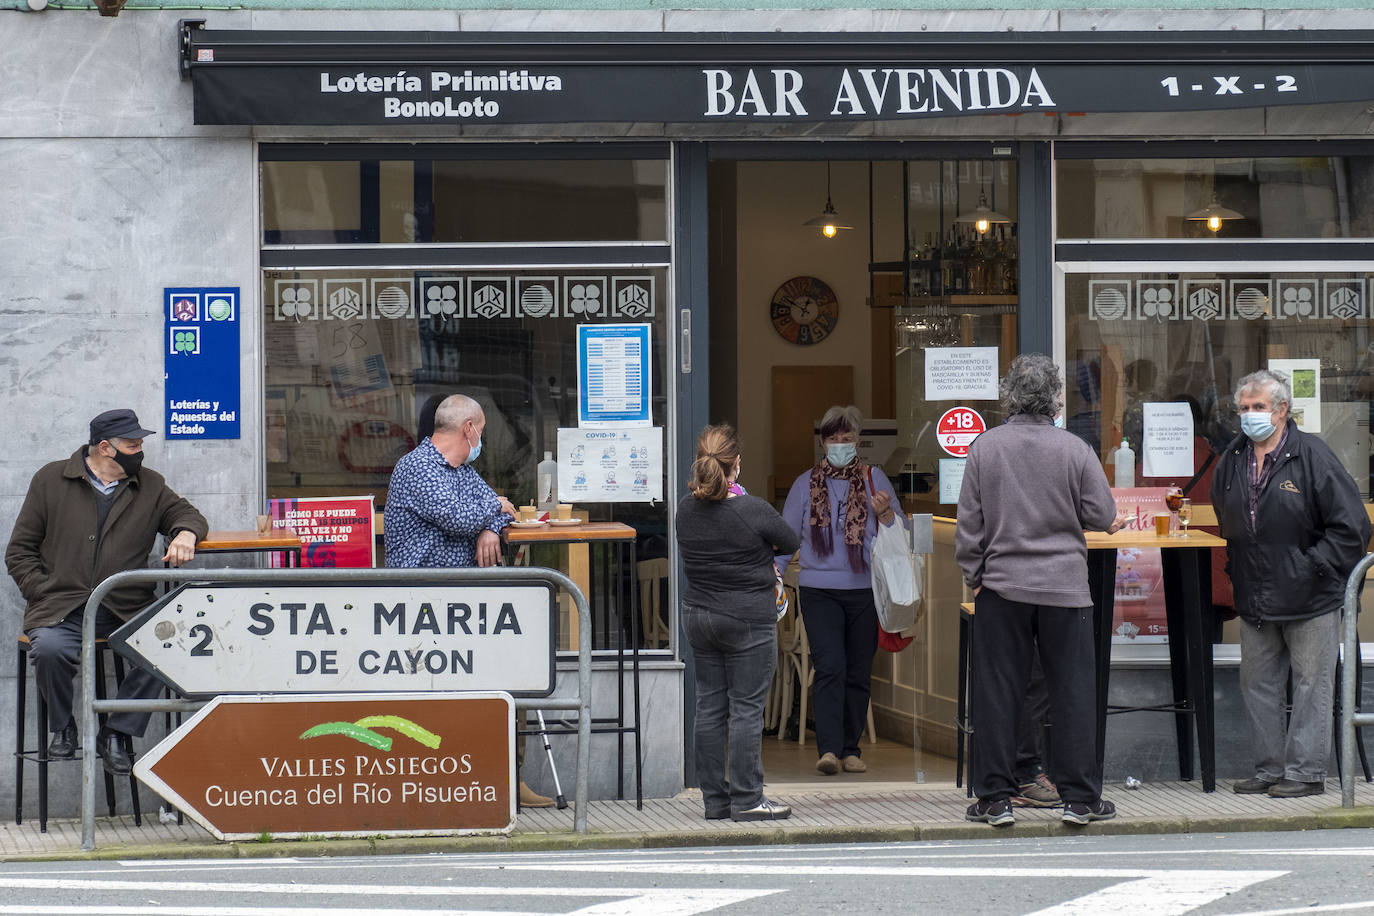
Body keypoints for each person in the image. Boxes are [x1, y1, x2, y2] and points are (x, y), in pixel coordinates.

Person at [956, 354, 1128, 827]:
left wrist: (977, 575)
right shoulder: (1075, 450)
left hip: (1002, 588)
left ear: (1010, 395)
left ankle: (994, 799)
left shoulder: (985, 449)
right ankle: (1080, 799)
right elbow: (1100, 512)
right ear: (1055, 399)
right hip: (1065, 589)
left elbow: (969, 528)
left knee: (996, 694)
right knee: (1072, 693)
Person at [5, 409, 208, 777]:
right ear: (104, 448)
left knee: (168, 644)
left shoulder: (149, 484)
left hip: (125, 607)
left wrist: (185, 533)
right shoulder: (51, 480)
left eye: (140, 443)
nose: (140, 450)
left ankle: (117, 732)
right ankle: (64, 726)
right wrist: (41, 590)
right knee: (50, 650)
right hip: (62, 606)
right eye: (133, 445)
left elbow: (189, 514)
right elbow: (19, 551)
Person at [383, 393, 553, 808]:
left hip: (464, 604)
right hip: (422, 607)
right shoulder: (418, 467)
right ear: (469, 429)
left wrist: (491, 526)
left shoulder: (461, 471)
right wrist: (490, 509)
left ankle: (508, 780)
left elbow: (502, 509)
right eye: (483, 431)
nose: (484, 440)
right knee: (441, 697)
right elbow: (458, 516)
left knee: (509, 675)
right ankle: (445, 786)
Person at [1211, 369, 1370, 798]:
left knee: (1310, 685)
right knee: (1257, 685)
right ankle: (1268, 769)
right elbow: (1226, 516)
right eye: (1244, 408)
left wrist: (1313, 565)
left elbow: (1352, 527)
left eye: (1258, 407)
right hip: (1256, 593)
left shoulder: (1312, 455)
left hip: (1310, 595)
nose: (1249, 416)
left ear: (1282, 410)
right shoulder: (1232, 458)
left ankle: (1304, 773)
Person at [676, 424, 800, 821]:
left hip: (699, 616)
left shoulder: (685, 509)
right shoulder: (753, 509)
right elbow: (791, 541)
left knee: (710, 707)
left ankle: (716, 801)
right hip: (746, 617)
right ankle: (748, 800)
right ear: (736, 465)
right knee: (746, 710)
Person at [783, 405, 904, 776]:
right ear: (822, 443)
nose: (840, 444)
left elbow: (902, 534)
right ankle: (830, 750)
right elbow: (786, 538)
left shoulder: (874, 479)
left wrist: (885, 516)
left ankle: (852, 749)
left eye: (846, 438)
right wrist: (773, 575)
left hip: (865, 590)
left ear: (857, 441)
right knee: (830, 666)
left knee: (857, 671)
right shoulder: (805, 484)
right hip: (819, 590)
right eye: (832, 438)